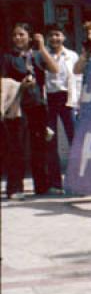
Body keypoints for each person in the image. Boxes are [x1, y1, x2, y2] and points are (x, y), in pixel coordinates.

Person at [2, 23, 60, 197]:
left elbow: (54, 69)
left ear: (30, 36)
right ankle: (15, 188)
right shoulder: (7, 57)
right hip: (17, 107)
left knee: (39, 146)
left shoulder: (36, 55)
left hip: (37, 105)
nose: (18, 38)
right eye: (15, 35)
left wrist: (42, 47)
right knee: (17, 147)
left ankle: (41, 186)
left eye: (21, 34)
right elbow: (2, 81)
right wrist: (21, 85)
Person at [35, 24, 78, 145]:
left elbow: (77, 79)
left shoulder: (72, 55)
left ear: (64, 37)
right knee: (50, 135)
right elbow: (52, 69)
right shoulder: (40, 55)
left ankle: (76, 162)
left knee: (72, 132)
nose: (54, 38)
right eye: (50, 35)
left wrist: (77, 101)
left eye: (57, 35)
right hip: (49, 97)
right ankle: (54, 164)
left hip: (66, 97)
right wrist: (42, 49)